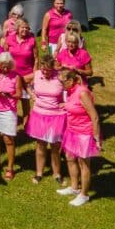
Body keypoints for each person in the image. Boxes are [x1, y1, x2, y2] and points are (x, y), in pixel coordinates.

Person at [58, 68, 102, 206]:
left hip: (84, 133)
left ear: (71, 81)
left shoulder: (82, 93)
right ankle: (74, 188)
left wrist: (96, 138)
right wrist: (66, 105)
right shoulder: (70, 91)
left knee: (84, 164)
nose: (60, 85)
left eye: (62, 82)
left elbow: (94, 117)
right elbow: (76, 107)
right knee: (70, 158)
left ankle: (84, 195)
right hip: (72, 131)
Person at [28, 53, 67, 185]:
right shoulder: (37, 74)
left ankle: (57, 173)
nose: (45, 72)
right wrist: (31, 94)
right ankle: (39, 173)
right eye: (43, 68)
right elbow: (24, 82)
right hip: (39, 114)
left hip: (56, 116)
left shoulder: (60, 76)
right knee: (41, 145)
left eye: (48, 69)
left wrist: (67, 103)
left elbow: (73, 86)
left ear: (53, 68)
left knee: (55, 146)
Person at [0, 52, 23, 180]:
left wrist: (10, 95)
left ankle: (10, 167)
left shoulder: (16, 77)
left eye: (7, 66)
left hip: (8, 110)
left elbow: (19, 94)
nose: (5, 68)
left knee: (8, 139)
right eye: (3, 66)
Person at [3, 18, 37, 125]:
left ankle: (27, 127)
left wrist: (34, 75)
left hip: (27, 76)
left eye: (27, 28)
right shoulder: (9, 39)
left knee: (26, 103)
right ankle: (10, 125)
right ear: (17, 28)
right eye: (23, 27)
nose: (25, 30)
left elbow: (36, 59)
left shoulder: (32, 40)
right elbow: (4, 57)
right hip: (12, 76)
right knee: (11, 102)